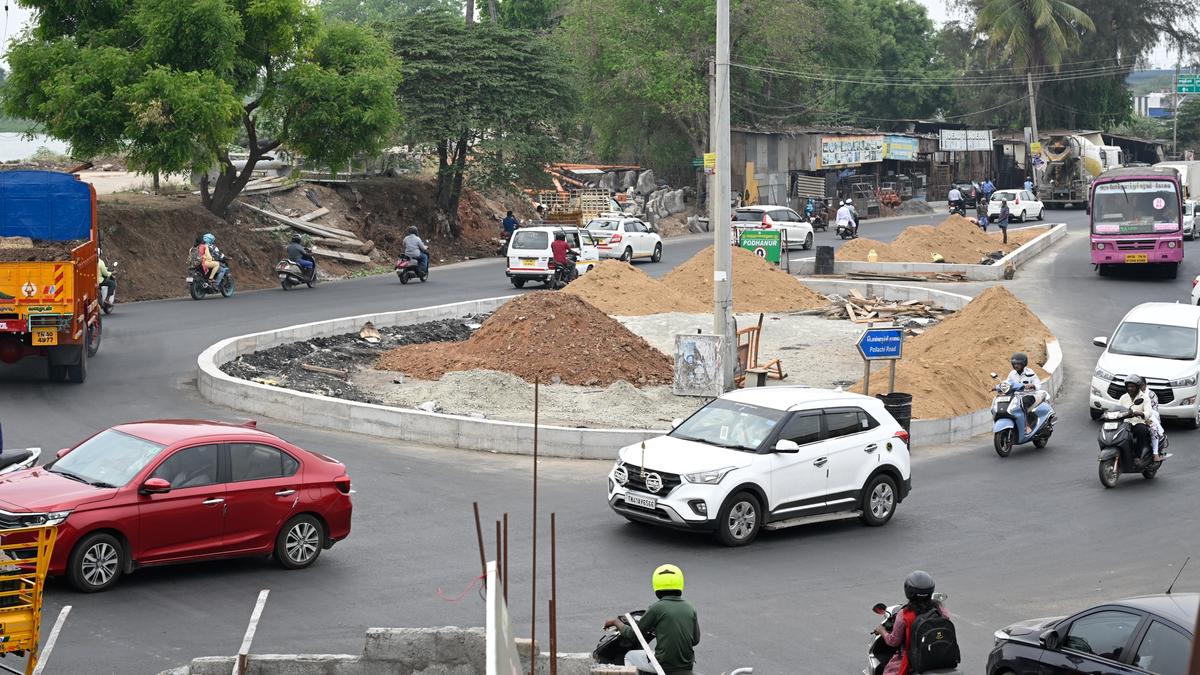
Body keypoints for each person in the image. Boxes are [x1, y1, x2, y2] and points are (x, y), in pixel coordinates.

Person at [604, 564, 700, 674]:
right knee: (653, 654)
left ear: (656, 586)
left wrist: (615, 622)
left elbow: (633, 635)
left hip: (664, 665)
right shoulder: (690, 608)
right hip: (687, 666)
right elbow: (696, 640)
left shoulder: (656, 608)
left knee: (629, 656)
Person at [874, 571, 952, 675]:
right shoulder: (940, 610)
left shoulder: (904, 615)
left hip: (913, 660)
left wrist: (882, 630)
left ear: (908, 591)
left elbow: (893, 641)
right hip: (940, 657)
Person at [1005, 352, 1046, 435]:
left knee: (1022, 403)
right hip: (1016, 396)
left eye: (1018, 364)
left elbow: (1038, 384)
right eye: (1014, 364)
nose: (1016, 365)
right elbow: (1007, 383)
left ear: (1024, 364)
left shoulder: (1030, 373)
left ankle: (1026, 425)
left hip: (1029, 395)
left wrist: (1032, 385)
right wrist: (999, 387)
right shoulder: (1012, 374)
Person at [1118, 375, 1154, 461]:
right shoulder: (1123, 397)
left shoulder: (1144, 398)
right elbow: (1117, 408)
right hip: (1125, 423)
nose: (1130, 389)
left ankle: (1137, 456)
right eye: (1128, 386)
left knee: (1142, 430)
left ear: (1137, 387)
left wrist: (1141, 413)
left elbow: (1148, 412)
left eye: (1132, 387)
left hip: (1138, 423)